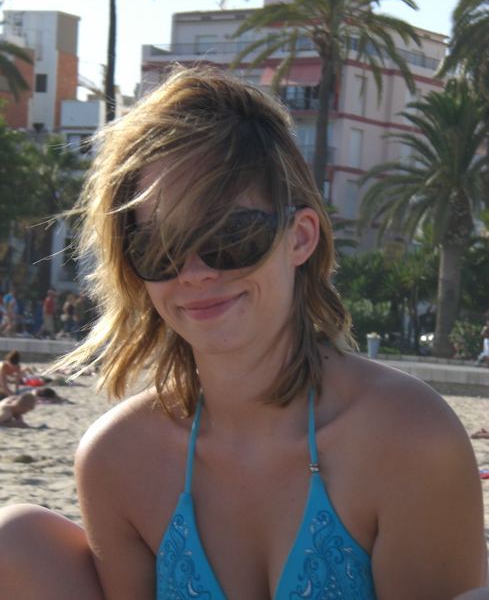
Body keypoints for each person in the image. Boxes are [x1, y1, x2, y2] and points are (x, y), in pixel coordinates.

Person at [0, 66, 486, 600]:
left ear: (299, 238)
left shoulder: (407, 436)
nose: (194, 272)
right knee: (15, 541)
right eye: (159, 246)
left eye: (229, 234)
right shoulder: (119, 458)